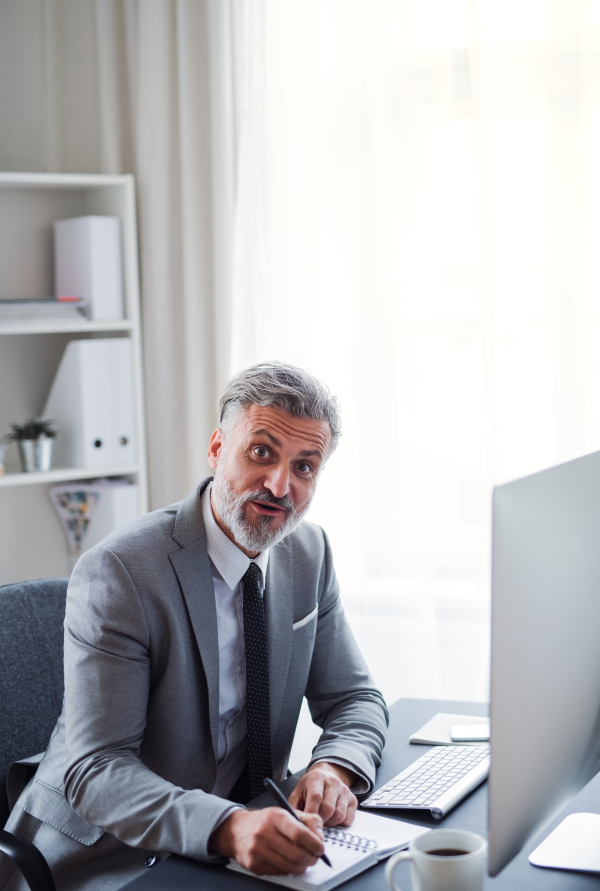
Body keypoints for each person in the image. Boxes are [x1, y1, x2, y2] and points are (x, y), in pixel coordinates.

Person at [0, 362, 388, 891]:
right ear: (215, 448)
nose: (280, 485)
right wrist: (228, 827)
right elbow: (97, 770)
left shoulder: (308, 552)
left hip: (242, 830)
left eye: (305, 467)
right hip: (109, 853)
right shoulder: (121, 572)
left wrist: (333, 769)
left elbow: (354, 697)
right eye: (261, 453)